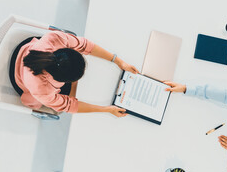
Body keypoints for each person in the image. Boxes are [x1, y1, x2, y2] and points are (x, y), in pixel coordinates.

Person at [10, 31, 139, 117]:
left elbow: (85, 45)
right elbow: (69, 105)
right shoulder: (42, 89)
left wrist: (118, 61)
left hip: (29, 50)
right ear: (64, 81)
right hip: (19, 77)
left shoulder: (54, 39)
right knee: (60, 105)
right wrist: (106, 109)